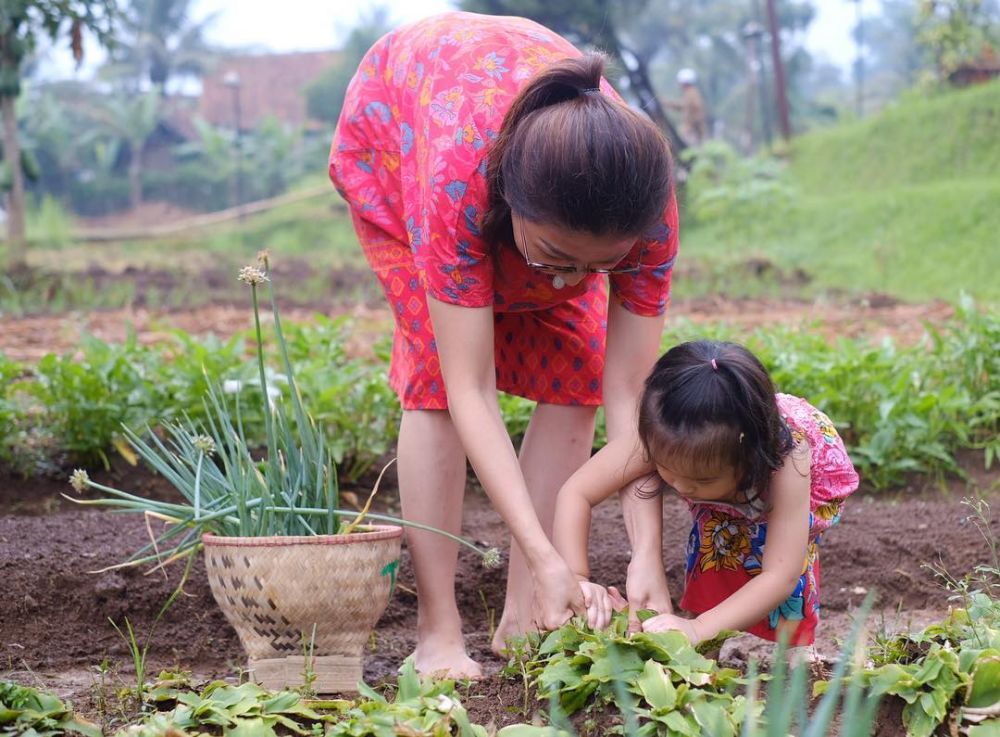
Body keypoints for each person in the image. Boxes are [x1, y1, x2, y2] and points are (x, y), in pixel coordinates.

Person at [329, 11, 679, 678]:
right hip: (399, 135)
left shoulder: (645, 209)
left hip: (529, 177)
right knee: (436, 377)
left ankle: (526, 618)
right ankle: (439, 630)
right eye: (555, 256)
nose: (571, 281)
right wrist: (552, 554)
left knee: (578, 370)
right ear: (511, 201)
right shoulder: (457, 184)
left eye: (596, 267)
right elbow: (471, 389)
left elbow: (628, 389)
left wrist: (645, 556)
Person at [553, 340, 859, 646]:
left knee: (773, 560)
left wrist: (698, 629)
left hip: (797, 486)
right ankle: (706, 641)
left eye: (702, 479)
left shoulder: (790, 460)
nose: (683, 487)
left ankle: (778, 660)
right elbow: (576, 492)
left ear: (748, 459)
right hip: (729, 479)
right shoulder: (667, 429)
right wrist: (578, 578)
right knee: (716, 550)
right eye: (666, 469)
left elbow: (781, 576)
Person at [665, 68, 708, 146]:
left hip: (692, 130)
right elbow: (684, 106)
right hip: (692, 129)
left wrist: (689, 128)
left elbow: (695, 111)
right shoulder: (690, 93)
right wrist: (668, 103)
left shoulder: (692, 94)